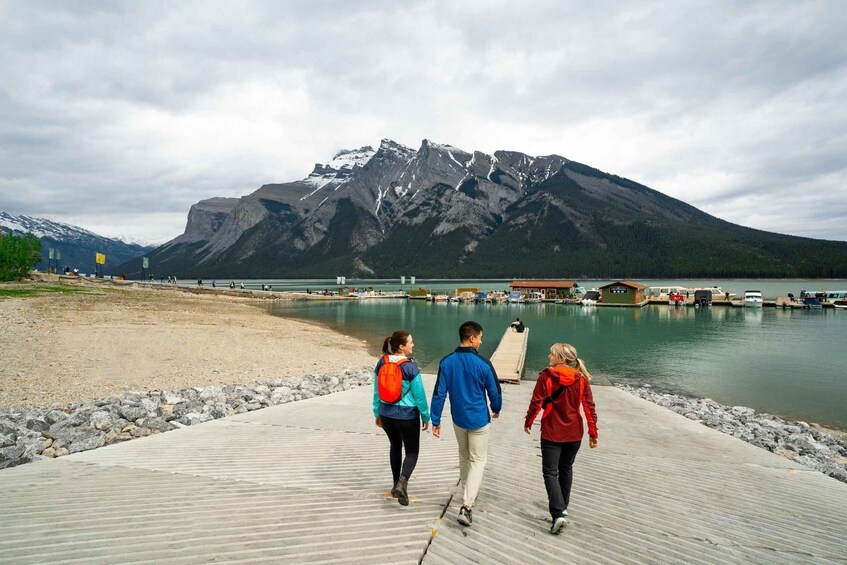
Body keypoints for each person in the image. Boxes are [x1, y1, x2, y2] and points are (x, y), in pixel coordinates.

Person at [431, 321, 502, 527]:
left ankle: (467, 491)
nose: (481, 341)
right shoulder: (484, 363)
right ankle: (467, 505)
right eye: (480, 337)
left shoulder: (446, 362)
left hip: (458, 420)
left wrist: (436, 419)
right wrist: (496, 408)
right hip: (479, 420)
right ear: (472, 338)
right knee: (478, 460)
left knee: (464, 455)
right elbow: (494, 391)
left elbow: (439, 393)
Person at [524, 343, 598, 535]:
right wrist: (593, 433)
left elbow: (536, 402)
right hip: (574, 433)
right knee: (566, 468)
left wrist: (528, 421)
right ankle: (562, 507)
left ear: (561, 359)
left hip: (551, 431)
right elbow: (589, 407)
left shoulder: (546, 377)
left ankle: (558, 513)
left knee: (550, 472)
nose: (549, 356)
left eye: (552, 354)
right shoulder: (581, 379)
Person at [372, 331, 430, 506]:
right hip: (407, 416)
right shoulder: (410, 367)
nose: (413, 345)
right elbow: (419, 395)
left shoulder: (382, 362)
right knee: (412, 451)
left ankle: (395, 485)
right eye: (411, 342)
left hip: (386, 413)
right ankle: (402, 482)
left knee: (395, 446)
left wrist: (377, 413)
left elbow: (376, 390)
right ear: (402, 347)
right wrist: (425, 416)